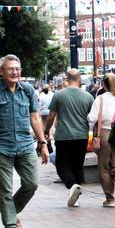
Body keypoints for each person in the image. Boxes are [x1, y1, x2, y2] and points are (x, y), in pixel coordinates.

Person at [0, 54, 50, 228]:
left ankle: (11, 211)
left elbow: (35, 118)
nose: (15, 72)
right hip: (0, 146)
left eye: (17, 69)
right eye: (11, 69)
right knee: (4, 189)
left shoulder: (27, 90)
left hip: (25, 144)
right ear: (1, 71)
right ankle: (10, 225)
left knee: (32, 183)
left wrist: (43, 143)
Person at [44, 68, 95, 207]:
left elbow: (51, 116)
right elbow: (92, 117)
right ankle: (76, 196)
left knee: (62, 164)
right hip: (81, 135)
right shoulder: (88, 96)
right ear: (79, 80)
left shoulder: (59, 95)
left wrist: (46, 130)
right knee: (77, 165)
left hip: (63, 136)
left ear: (67, 79)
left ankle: (72, 185)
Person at [87, 71, 115, 207]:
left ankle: (109, 198)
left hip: (104, 133)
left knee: (104, 167)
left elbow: (92, 118)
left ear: (104, 84)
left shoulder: (101, 98)